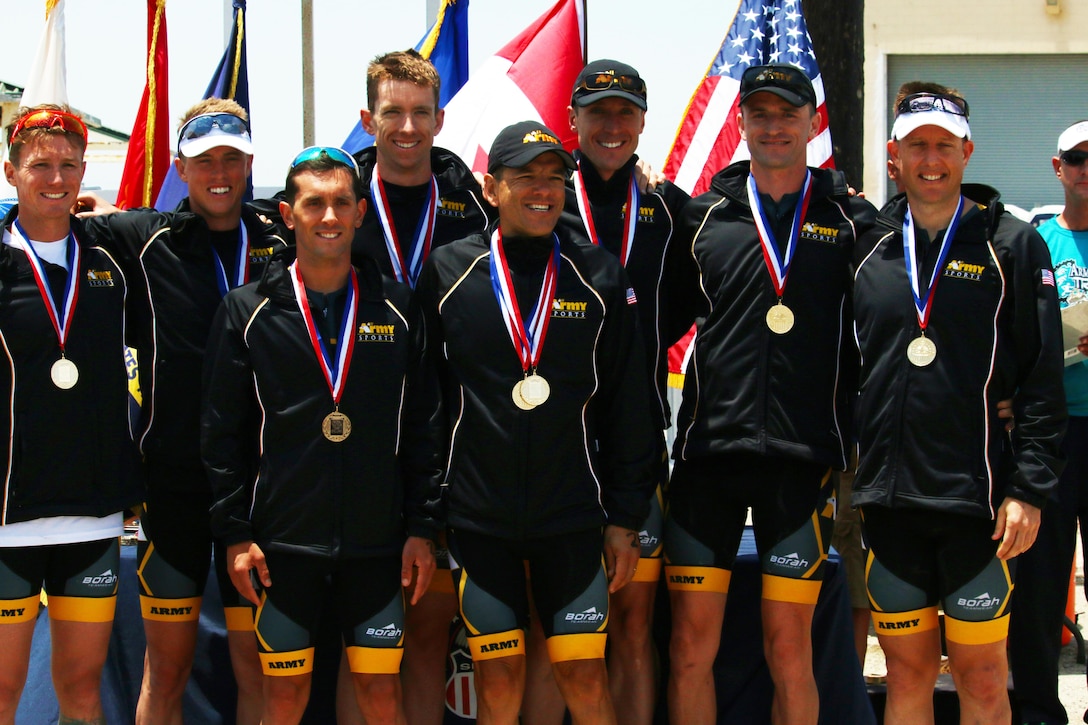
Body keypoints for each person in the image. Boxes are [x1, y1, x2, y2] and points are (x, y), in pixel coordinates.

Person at [414, 120, 658, 725]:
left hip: (571, 517)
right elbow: (422, 406)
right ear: (492, 188)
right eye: (526, 178)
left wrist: (626, 516)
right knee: (498, 682)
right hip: (478, 519)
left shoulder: (598, 275)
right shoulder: (449, 273)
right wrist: (426, 513)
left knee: (583, 676)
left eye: (555, 178)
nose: (543, 190)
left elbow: (629, 403)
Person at [202, 145, 443, 725]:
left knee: (381, 696)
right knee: (282, 698)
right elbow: (221, 434)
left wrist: (422, 528)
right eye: (314, 204)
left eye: (341, 202)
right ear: (288, 214)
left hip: (377, 548)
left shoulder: (399, 307)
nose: (329, 217)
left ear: (361, 211)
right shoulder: (247, 309)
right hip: (281, 549)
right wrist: (235, 534)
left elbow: (425, 428)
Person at [664, 64, 876, 725]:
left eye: (787, 112)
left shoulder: (852, 220)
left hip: (802, 460)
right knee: (690, 647)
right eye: (760, 113)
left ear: (813, 122)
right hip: (708, 461)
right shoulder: (700, 218)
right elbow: (648, 328)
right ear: (741, 123)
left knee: (790, 649)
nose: (774, 125)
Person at [852, 82, 1066, 724]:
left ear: (968, 152)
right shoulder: (867, 243)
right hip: (891, 503)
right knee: (907, 674)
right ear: (894, 155)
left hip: (981, 508)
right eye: (917, 146)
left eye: (944, 145)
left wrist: (1029, 489)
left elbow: (1041, 378)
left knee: (981, 679)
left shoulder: (1012, 244)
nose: (931, 160)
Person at [78, 98, 287, 725]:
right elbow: (50, 223)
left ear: (250, 162)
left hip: (261, 491)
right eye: (204, 161)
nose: (218, 172)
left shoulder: (282, 243)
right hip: (175, 491)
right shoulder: (142, 240)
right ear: (180, 166)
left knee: (259, 670)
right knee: (164, 670)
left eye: (231, 158)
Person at [539, 58, 687, 725]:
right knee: (557, 633)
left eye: (625, 112)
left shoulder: (666, 210)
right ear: (572, 120)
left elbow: (685, 305)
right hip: (551, 446)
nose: (611, 125)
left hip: (636, 450)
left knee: (631, 629)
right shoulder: (540, 200)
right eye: (597, 112)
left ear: (642, 123)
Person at [0, 104, 142, 723]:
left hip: (91, 515)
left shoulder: (113, 258)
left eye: (67, 165)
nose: (55, 179)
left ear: (85, 170)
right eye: (39, 166)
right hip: (6, 518)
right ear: (11, 172)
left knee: (82, 692)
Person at [1009, 119, 1088, 725]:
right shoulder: (1034, 242)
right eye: (1079, 159)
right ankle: (1037, 707)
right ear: (1058, 168)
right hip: (1052, 430)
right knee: (1039, 580)